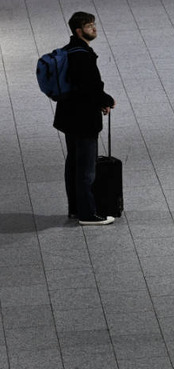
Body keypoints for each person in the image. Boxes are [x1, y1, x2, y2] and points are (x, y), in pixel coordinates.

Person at [53, 12, 117, 226]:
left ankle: (75, 208)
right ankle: (88, 214)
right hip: (83, 119)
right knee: (86, 169)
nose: (94, 28)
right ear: (79, 31)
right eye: (90, 26)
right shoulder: (82, 55)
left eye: (94, 24)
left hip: (68, 116)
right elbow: (91, 86)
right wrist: (105, 99)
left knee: (73, 163)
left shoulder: (68, 50)